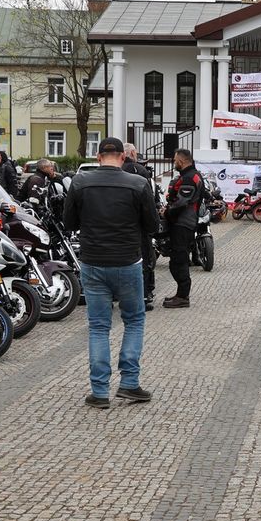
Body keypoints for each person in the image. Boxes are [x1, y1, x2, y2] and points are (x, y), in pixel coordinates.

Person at [63, 136, 157, 408]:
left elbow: (69, 222)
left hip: (93, 261)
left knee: (98, 326)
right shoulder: (138, 183)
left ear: (98, 157)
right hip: (128, 261)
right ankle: (129, 383)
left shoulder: (80, 182)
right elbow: (152, 225)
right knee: (134, 321)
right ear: (123, 157)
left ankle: (100, 391)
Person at [161, 148, 202, 308]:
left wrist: (166, 213)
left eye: (175, 160)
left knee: (180, 260)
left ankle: (183, 297)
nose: (174, 163)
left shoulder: (190, 178)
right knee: (176, 260)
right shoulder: (189, 176)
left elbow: (181, 203)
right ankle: (180, 294)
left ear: (182, 161)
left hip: (183, 223)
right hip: (181, 223)